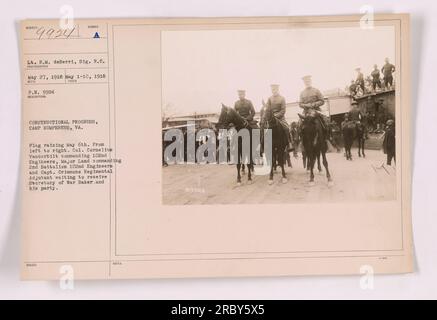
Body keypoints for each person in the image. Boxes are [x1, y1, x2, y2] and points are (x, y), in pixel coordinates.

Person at [266, 84, 292, 150]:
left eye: (275, 89)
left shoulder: (282, 98)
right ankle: (263, 145)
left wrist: (276, 115)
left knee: (286, 128)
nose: (273, 91)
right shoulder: (269, 98)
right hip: (271, 118)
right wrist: (270, 116)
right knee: (265, 129)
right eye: (272, 90)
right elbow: (268, 109)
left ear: (277, 89)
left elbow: (283, 110)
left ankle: (289, 143)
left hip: (280, 118)